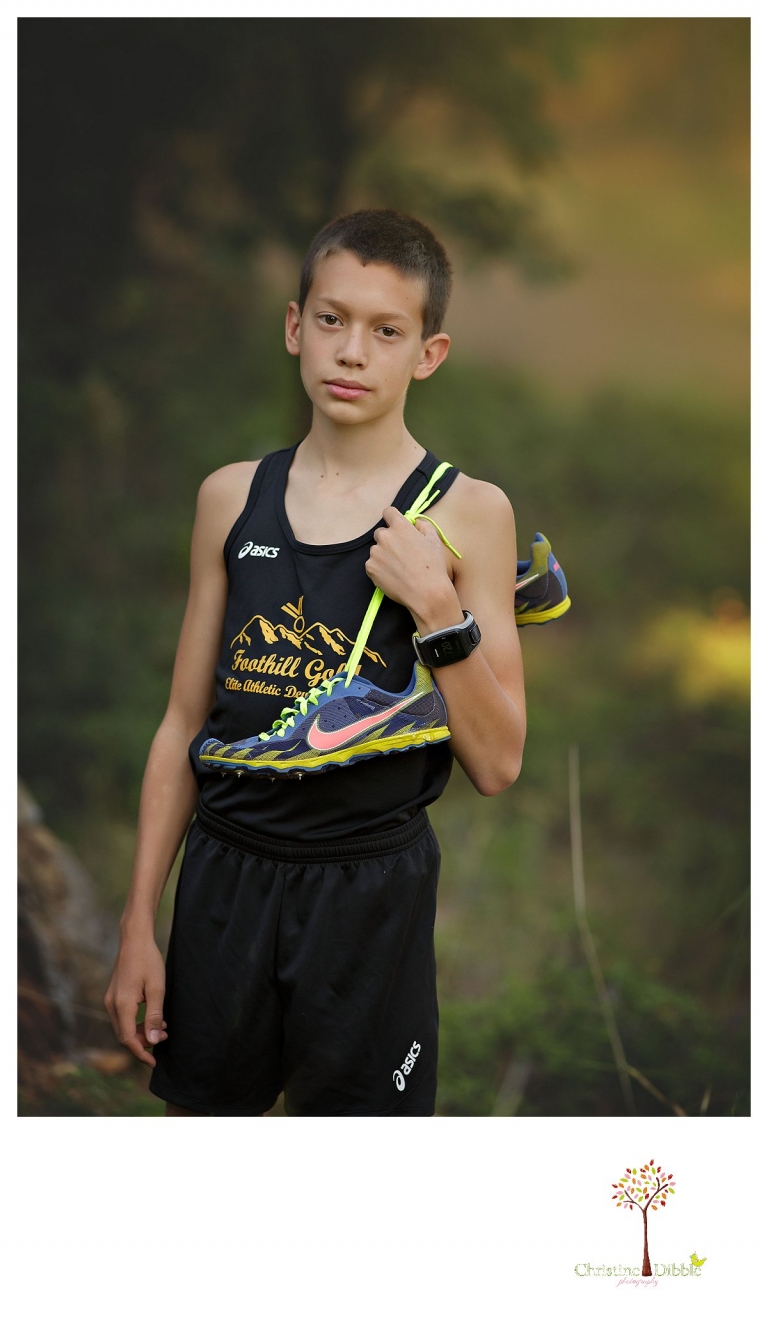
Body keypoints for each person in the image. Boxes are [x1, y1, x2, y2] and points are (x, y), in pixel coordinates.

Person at [104, 208, 526, 1116]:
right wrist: (141, 920)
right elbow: (183, 725)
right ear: (295, 326)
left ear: (429, 353)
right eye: (331, 320)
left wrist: (440, 610)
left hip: (369, 892)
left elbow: (498, 762)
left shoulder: (469, 513)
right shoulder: (231, 498)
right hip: (226, 882)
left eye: (386, 331)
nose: (351, 352)